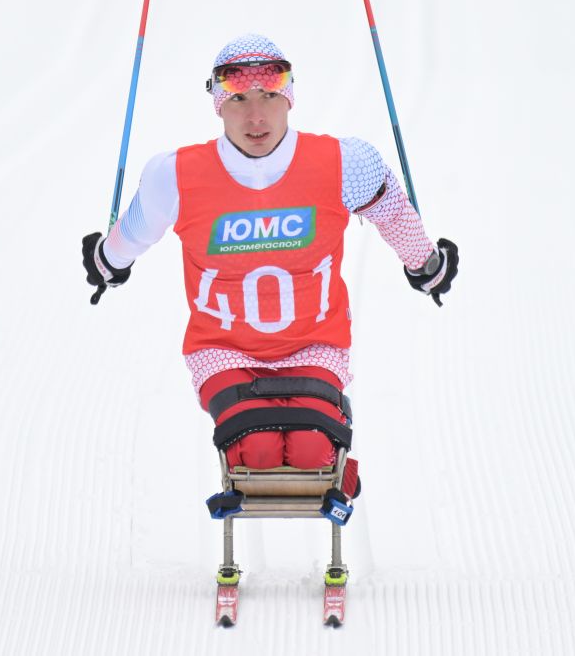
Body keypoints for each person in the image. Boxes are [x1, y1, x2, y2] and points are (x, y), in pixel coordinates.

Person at [82, 33, 458, 471]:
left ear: (290, 98)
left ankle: (340, 483)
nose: (256, 116)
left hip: (314, 345)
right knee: (255, 452)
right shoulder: (176, 176)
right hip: (224, 350)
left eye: (270, 96)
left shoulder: (344, 163)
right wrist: (107, 262)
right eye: (238, 99)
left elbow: (394, 214)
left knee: (312, 453)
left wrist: (426, 264)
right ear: (218, 104)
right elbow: (132, 234)